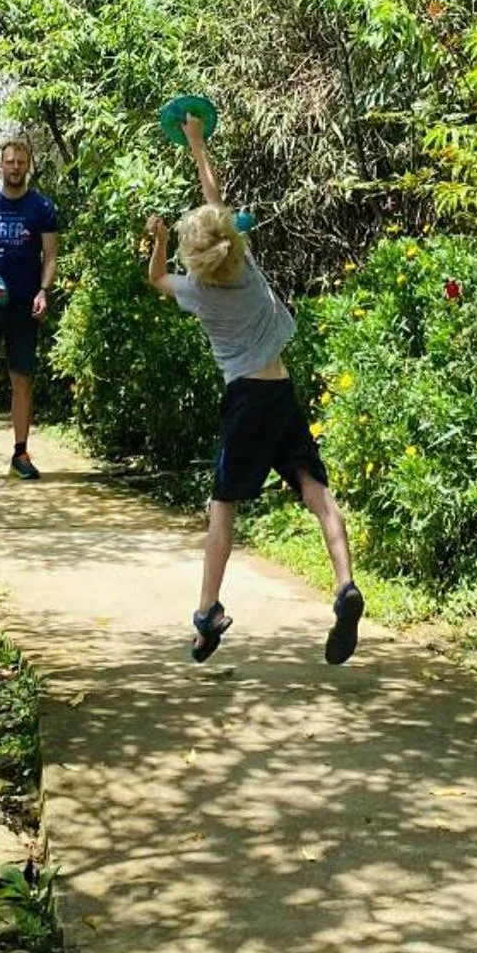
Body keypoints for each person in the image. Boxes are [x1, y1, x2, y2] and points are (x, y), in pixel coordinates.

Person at [145, 111, 363, 665]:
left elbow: (155, 278)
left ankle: (207, 612)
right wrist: (198, 145)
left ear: (196, 256)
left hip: (245, 402)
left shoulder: (196, 289)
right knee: (315, 489)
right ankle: (345, 585)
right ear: (229, 239)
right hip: (281, 392)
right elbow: (214, 198)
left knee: (223, 507)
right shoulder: (243, 262)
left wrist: (160, 239)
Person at [0, 133, 60, 481]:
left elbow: (50, 256)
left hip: (24, 304)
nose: (15, 167)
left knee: (22, 378)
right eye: (10, 162)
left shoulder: (42, 208)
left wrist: (43, 291)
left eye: (21, 162)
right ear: (0, 165)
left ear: (28, 165)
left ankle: (20, 454)